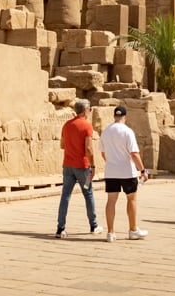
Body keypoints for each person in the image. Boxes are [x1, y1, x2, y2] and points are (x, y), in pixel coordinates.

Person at [99, 105, 150, 242]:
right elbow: (134, 153)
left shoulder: (106, 131)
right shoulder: (128, 132)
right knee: (131, 199)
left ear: (114, 116)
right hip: (127, 171)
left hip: (111, 171)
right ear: (125, 117)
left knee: (111, 201)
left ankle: (110, 232)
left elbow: (103, 153)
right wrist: (143, 170)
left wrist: (111, 163)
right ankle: (133, 230)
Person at [56, 98, 100, 238]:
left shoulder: (66, 125)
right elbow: (88, 148)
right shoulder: (87, 126)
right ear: (85, 110)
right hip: (83, 166)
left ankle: (60, 228)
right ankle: (93, 225)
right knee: (88, 194)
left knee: (65, 196)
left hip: (68, 165)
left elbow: (62, 145)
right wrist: (93, 165)